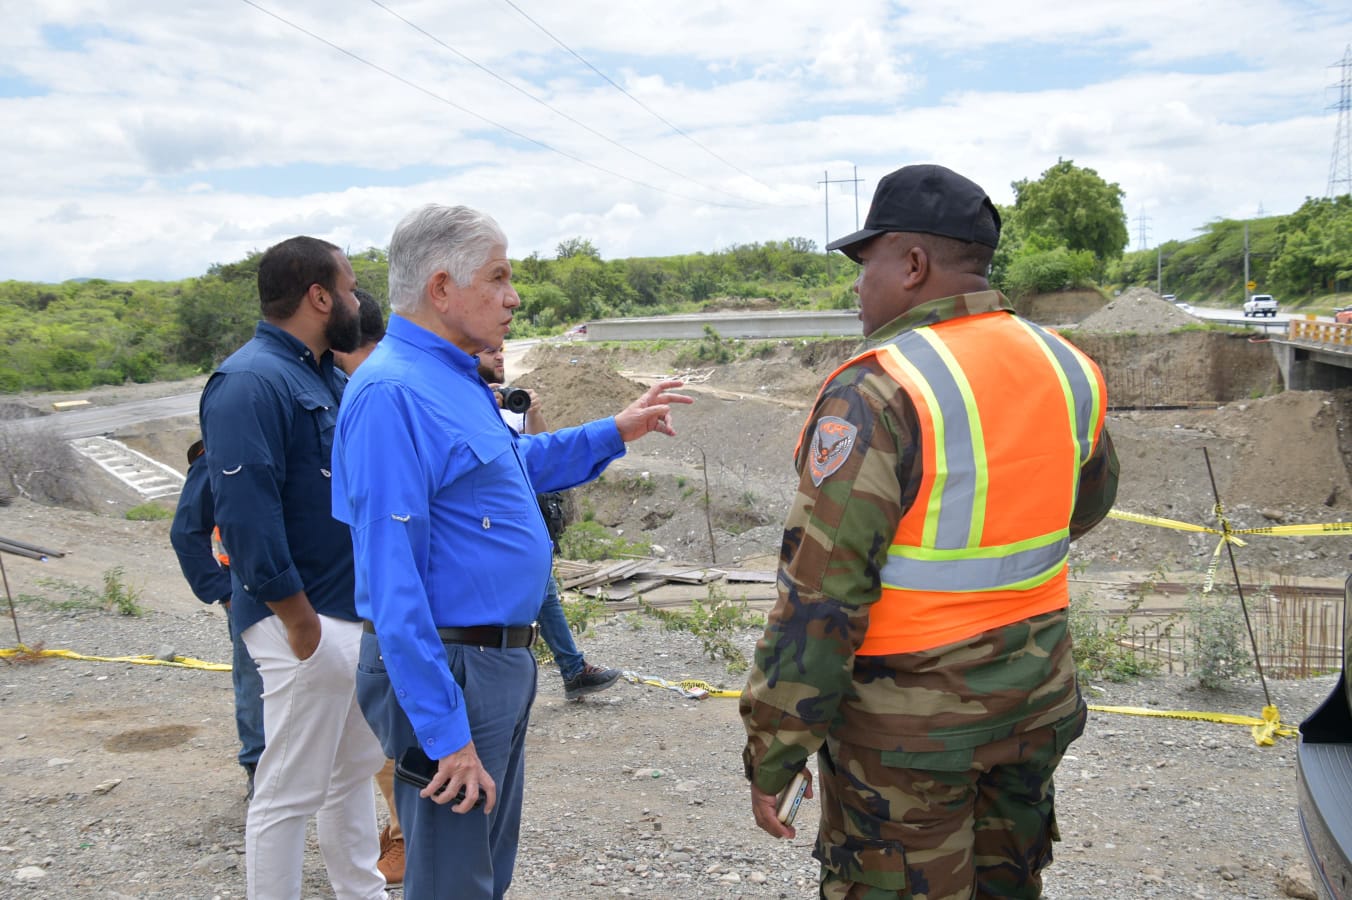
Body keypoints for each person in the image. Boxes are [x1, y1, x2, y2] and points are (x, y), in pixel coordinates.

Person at [738, 164, 1120, 900]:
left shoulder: (880, 386)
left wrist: (775, 749)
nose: (859, 286)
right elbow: (1087, 505)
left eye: (867, 263)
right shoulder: (1066, 366)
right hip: (1036, 703)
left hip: (909, 738)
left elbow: (821, 594)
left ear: (912, 265)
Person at [331, 203, 691, 900]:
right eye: (498, 277)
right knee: (450, 884)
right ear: (441, 288)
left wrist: (616, 429)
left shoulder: (451, 377)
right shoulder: (391, 394)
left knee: (482, 876)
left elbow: (516, 465)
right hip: (450, 666)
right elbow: (390, 577)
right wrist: (446, 736)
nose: (514, 296)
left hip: (494, 663)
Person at [200, 236, 387, 900]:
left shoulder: (324, 374)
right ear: (318, 296)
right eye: (349, 286)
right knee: (288, 790)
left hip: (348, 614)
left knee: (350, 774)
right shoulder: (250, 381)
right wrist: (298, 620)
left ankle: (361, 892)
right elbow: (244, 511)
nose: (356, 299)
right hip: (303, 622)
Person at [475, 344, 622, 701]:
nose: (499, 356)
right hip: (493, 527)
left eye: (502, 351)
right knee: (537, 593)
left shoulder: (512, 404)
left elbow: (540, 449)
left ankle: (571, 668)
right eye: (490, 351)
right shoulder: (467, 405)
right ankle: (566, 668)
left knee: (545, 590)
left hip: (524, 517)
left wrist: (533, 411)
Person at [334, 288, 405, 888]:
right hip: (347, 605)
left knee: (377, 744)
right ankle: (394, 838)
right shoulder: (371, 389)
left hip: (360, 609)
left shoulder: (376, 391)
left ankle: (402, 836)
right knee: (363, 748)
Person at [169, 438, 264, 800]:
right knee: (256, 683)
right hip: (249, 593)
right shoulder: (221, 452)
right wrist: (222, 591)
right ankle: (259, 767)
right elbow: (186, 532)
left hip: (318, 587)